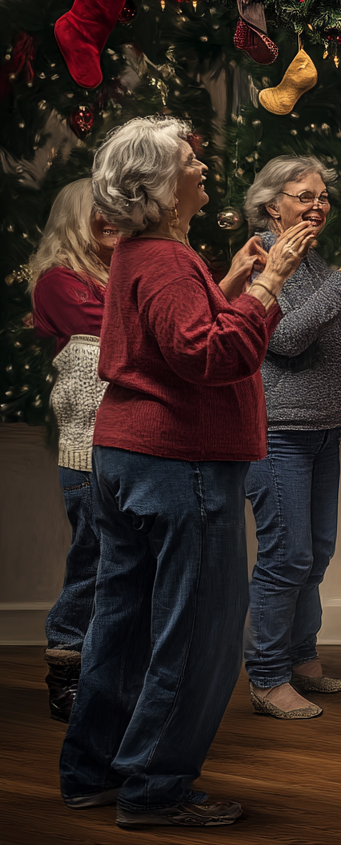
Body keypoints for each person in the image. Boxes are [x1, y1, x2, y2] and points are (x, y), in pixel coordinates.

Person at [58, 116, 314, 829]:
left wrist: (232, 281)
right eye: (187, 159)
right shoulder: (167, 259)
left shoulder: (148, 252)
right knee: (195, 632)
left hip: (129, 455)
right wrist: (269, 284)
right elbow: (210, 357)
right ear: (160, 185)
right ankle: (155, 787)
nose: (200, 165)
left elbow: (172, 339)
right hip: (181, 462)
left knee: (123, 621)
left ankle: (93, 772)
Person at [242, 156, 341, 719]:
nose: (317, 204)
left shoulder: (316, 261)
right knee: (285, 555)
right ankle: (267, 678)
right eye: (303, 196)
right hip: (277, 432)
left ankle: (301, 659)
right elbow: (288, 339)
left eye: (321, 195)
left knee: (315, 554)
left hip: (324, 428)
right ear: (272, 205)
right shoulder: (258, 262)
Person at [29, 178, 118, 722]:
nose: (110, 218)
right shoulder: (58, 280)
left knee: (120, 563)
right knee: (92, 559)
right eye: (98, 211)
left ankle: (107, 670)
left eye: (117, 210)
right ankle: (66, 670)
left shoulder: (120, 272)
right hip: (87, 450)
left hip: (128, 444)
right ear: (73, 218)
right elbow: (113, 333)